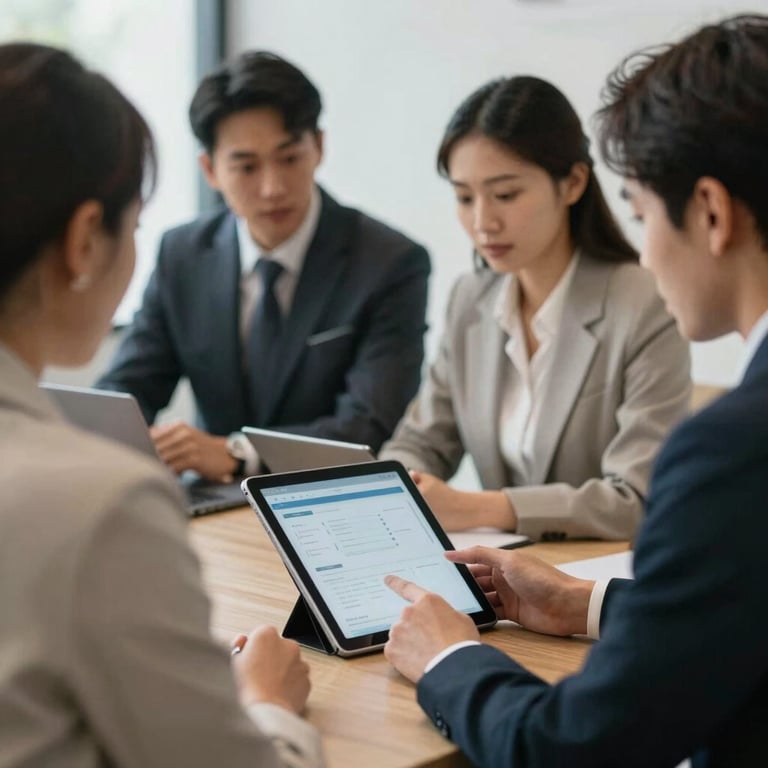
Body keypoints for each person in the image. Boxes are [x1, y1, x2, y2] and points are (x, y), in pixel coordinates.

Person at [383, 13, 768, 767]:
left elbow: (571, 749)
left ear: (713, 213)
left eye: (643, 213)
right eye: (464, 197)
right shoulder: (472, 297)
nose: (646, 251)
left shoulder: (732, 445)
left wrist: (448, 660)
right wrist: (581, 601)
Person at [0, 43, 324, 767]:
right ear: (87, 238)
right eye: (134, 223)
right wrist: (269, 705)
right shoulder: (101, 503)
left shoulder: (384, 257)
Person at [379, 75, 690, 541]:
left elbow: (637, 498)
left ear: (573, 184)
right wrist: (406, 484)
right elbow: (420, 441)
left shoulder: (644, 302)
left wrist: (479, 507)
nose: (483, 222)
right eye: (465, 198)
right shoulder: (471, 298)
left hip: (593, 584)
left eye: (505, 195)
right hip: (499, 575)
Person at [97, 51, 430, 482]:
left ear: (319, 147)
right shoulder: (182, 253)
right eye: (246, 166)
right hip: (212, 504)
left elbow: (368, 426)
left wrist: (235, 453)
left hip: (333, 501)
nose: (273, 188)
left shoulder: (389, 262)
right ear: (210, 170)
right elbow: (130, 387)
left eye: (289, 158)